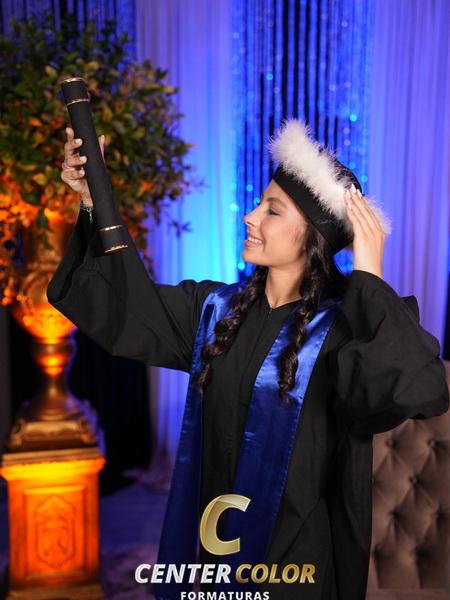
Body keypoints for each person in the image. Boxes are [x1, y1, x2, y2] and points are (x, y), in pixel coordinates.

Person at [47, 119, 449, 600]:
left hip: (296, 569)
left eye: (272, 210)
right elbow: (125, 307)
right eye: (259, 204)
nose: (250, 217)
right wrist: (93, 201)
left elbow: (416, 386)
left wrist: (370, 275)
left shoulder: (345, 334)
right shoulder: (215, 312)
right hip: (215, 556)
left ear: (314, 237)